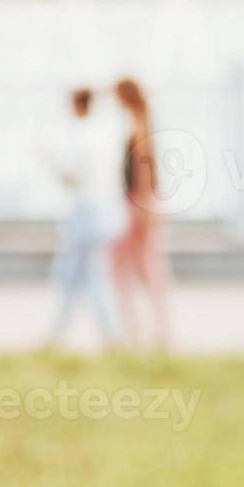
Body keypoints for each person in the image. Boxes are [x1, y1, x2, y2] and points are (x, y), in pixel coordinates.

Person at [43, 86, 127, 349]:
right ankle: (60, 333)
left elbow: (70, 177)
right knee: (79, 276)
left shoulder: (81, 136)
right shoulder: (104, 133)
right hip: (105, 212)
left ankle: (109, 335)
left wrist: (50, 160)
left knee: (87, 277)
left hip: (88, 216)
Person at [110, 77, 171, 350]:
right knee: (141, 269)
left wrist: (145, 210)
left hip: (138, 204)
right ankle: (147, 328)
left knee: (138, 269)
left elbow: (144, 172)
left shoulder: (140, 127)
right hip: (139, 203)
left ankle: (142, 329)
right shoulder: (142, 122)